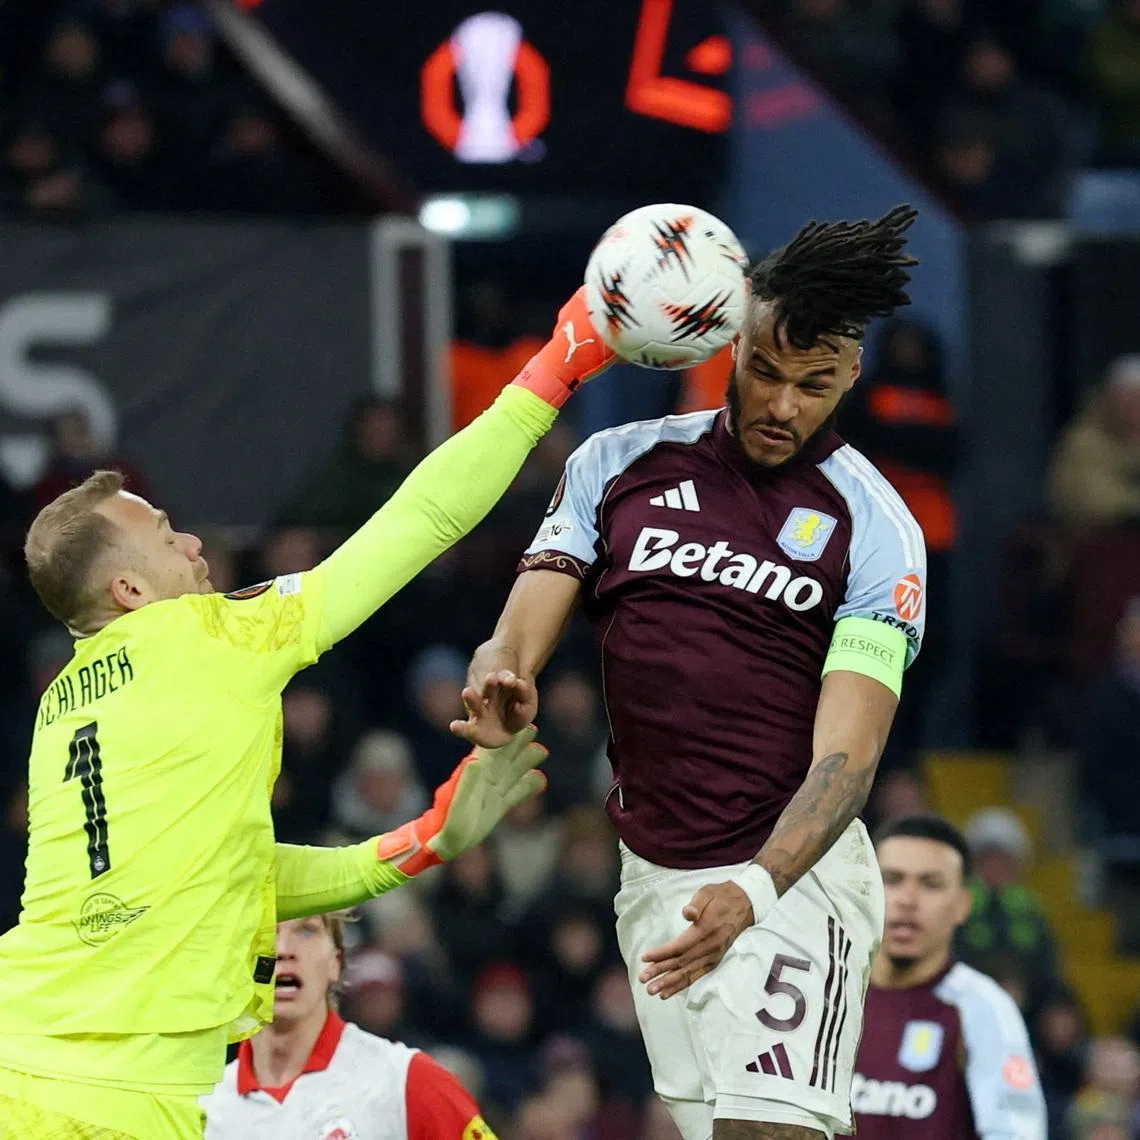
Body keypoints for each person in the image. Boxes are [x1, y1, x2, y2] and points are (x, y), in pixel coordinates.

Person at [0, 288, 613, 1138]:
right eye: (169, 535)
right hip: (118, 1098)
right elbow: (421, 519)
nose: (195, 546)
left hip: (27, 1057)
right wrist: (554, 368)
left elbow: (232, 873)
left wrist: (420, 840)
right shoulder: (205, 634)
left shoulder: (61, 710)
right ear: (130, 591)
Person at [455, 207, 928, 1140]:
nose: (783, 404)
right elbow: (517, 630)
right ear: (731, 339)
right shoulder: (614, 465)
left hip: (790, 880)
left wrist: (755, 891)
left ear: (852, 377)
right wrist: (502, 679)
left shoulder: (877, 527)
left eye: (815, 383)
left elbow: (850, 757)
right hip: (654, 877)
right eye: (765, 371)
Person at [201, 914, 494, 1138]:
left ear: (336, 962)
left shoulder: (406, 1081)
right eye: (265, 932)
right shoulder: (199, 1109)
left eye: (306, 930)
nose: (283, 950)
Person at [853, 814, 1047, 1139]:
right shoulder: (821, 994)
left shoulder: (984, 1008)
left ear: (962, 905)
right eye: (892, 879)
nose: (908, 900)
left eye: (931, 884)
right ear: (863, 890)